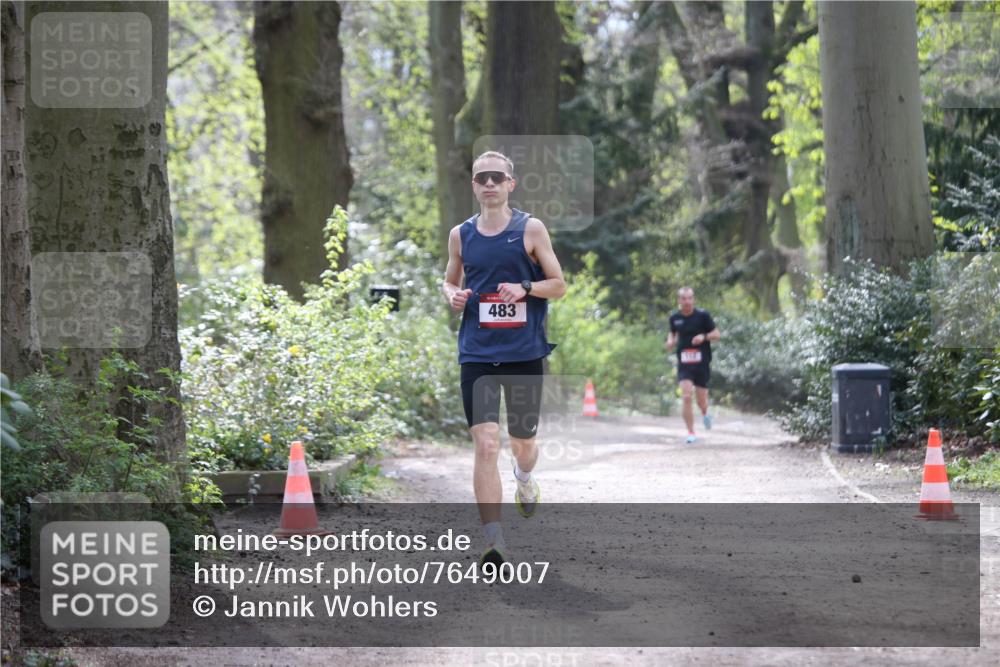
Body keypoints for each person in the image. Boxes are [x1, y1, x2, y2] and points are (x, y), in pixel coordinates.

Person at [441, 150, 566, 567]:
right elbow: (448, 279)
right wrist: (452, 295)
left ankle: (525, 479)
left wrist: (527, 289)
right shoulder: (461, 234)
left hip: (523, 353)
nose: (490, 183)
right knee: (486, 442)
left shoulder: (530, 229)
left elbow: (558, 285)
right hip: (476, 352)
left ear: (511, 183)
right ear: (474, 186)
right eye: (482, 178)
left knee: (523, 444)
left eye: (497, 177)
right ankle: (493, 540)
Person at [665, 287, 721, 444]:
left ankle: (704, 413)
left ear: (693, 299)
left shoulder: (703, 316)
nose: (687, 301)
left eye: (690, 298)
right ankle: (691, 432)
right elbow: (673, 333)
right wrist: (671, 341)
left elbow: (717, 334)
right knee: (686, 396)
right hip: (684, 363)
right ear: (679, 301)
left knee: (701, 401)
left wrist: (703, 337)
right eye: (683, 298)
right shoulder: (675, 318)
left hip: (701, 363)